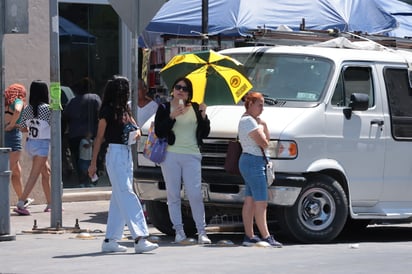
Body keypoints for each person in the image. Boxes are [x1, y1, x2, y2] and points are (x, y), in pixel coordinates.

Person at [88, 75, 158, 253]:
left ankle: (110, 240)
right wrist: (93, 162)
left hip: (126, 154)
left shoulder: (125, 109)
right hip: (115, 153)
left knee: (119, 198)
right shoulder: (107, 111)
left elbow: (137, 129)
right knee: (127, 193)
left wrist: (135, 133)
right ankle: (140, 238)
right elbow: (99, 137)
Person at [154, 77, 211, 244]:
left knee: (194, 194)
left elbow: (205, 132)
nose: (181, 90)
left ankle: (202, 231)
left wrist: (204, 115)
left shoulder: (194, 107)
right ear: (173, 89)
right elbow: (159, 131)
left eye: (185, 89)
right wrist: (171, 116)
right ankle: (179, 230)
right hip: (171, 155)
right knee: (173, 194)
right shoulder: (164, 107)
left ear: (189, 93)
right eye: (178, 87)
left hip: (192, 154)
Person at [238, 92, 282, 247]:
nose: (262, 108)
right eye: (260, 104)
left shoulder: (253, 121)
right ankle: (266, 236)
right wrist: (261, 127)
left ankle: (249, 236)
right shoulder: (248, 121)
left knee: (250, 200)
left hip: (252, 160)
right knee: (261, 202)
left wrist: (262, 125)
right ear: (250, 104)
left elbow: (266, 139)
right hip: (253, 160)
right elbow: (264, 143)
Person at [14, 80, 52, 215]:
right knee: (34, 175)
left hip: (30, 143)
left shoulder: (27, 109)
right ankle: (21, 203)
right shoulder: (48, 108)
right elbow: (54, 125)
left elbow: (22, 127)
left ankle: (50, 203)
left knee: (46, 173)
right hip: (42, 144)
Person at [63, 77, 101, 187]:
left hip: (74, 135)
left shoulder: (72, 101)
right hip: (92, 134)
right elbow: (100, 115)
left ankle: (81, 180)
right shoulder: (95, 98)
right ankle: (93, 179)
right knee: (93, 158)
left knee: (78, 160)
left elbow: (66, 116)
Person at [4, 83, 34, 208]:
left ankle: (23, 199)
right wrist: (12, 124)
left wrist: (13, 125)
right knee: (5, 172)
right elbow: (17, 110)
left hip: (5, 136)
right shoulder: (18, 101)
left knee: (16, 172)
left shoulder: (5, 103)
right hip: (12, 138)